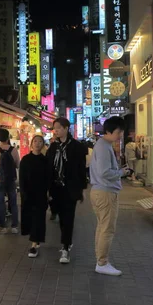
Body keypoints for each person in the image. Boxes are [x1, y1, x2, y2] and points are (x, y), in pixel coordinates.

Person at [90, 116, 130, 276]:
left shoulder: (102, 145)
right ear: (109, 131)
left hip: (101, 191)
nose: (120, 135)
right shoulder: (103, 147)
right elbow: (104, 172)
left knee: (102, 227)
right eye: (119, 132)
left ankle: (101, 260)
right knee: (107, 229)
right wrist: (121, 172)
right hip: (106, 192)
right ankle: (102, 262)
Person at [46, 118, 87, 263]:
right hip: (56, 188)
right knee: (62, 218)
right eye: (54, 128)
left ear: (66, 128)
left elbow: (82, 169)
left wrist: (82, 189)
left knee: (68, 217)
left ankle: (65, 248)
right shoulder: (53, 147)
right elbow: (49, 168)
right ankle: (66, 242)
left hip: (70, 188)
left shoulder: (76, 147)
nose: (55, 130)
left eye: (58, 128)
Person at [19, 134, 49, 257]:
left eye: (40, 141)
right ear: (31, 144)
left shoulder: (45, 160)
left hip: (41, 195)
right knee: (31, 218)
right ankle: (35, 240)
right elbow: (21, 178)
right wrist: (23, 193)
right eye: (35, 141)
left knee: (39, 218)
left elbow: (48, 179)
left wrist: (48, 193)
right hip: (28, 194)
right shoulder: (25, 160)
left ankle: (33, 245)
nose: (37, 143)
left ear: (43, 144)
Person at [0, 128, 20, 234]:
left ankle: (2, 226)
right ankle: (14, 226)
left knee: (0, 203)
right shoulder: (13, 149)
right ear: (8, 137)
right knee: (13, 203)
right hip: (11, 180)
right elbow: (18, 165)